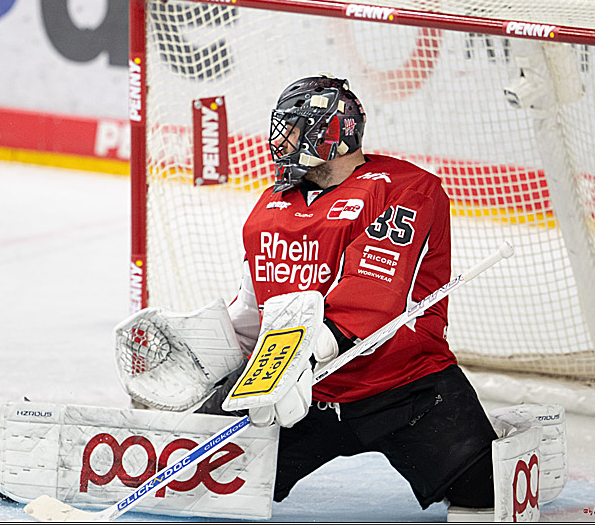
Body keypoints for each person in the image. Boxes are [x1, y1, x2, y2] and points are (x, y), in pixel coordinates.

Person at [205, 75, 499, 515]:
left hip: (403, 390)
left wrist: (290, 361)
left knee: (486, 496)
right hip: (298, 396)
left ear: (335, 135)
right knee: (195, 482)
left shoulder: (405, 189)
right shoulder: (272, 203)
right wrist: (210, 351)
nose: (281, 140)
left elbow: (373, 295)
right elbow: (254, 306)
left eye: (296, 128)